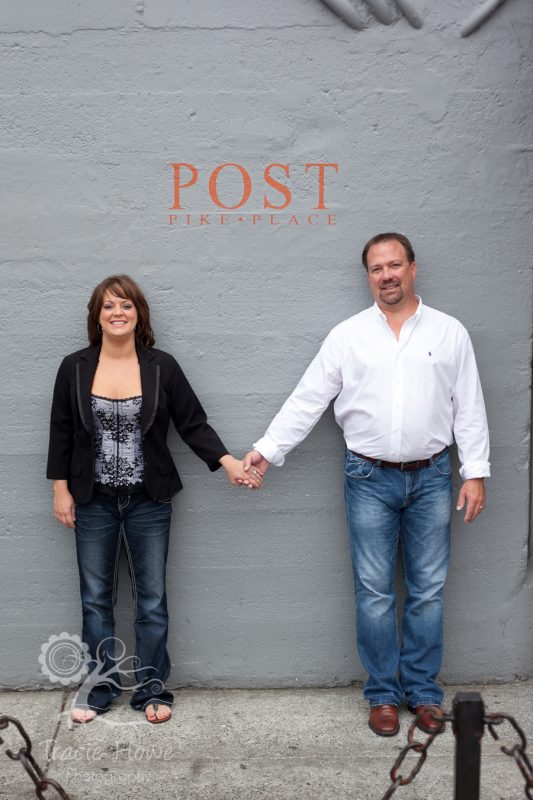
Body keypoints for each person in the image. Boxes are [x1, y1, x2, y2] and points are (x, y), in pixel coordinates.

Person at [243, 233, 489, 737]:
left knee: (428, 591)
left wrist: (476, 473)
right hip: (368, 477)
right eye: (376, 269)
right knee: (375, 592)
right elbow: (308, 398)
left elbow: (469, 404)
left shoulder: (448, 333)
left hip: (433, 474)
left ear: (413, 268)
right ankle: (382, 694)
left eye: (394, 265)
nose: (386, 276)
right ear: (368, 277)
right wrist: (267, 450)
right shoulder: (348, 336)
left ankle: (422, 692)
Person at [47, 275, 262, 725]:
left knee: (151, 599)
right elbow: (62, 431)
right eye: (108, 307)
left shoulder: (161, 366)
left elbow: (193, 423)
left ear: (139, 313)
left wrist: (228, 463)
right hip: (92, 501)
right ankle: (100, 686)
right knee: (95, 598)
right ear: (97, 316)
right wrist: (60, 488)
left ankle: (151, 689)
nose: (117, 313)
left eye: (125, 305)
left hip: (150, 499)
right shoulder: (75, 367)